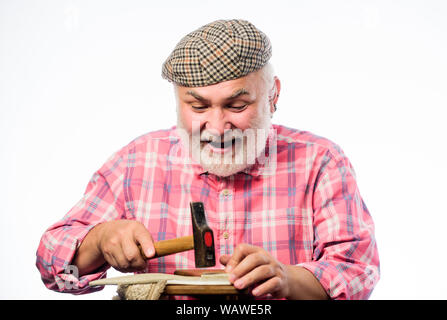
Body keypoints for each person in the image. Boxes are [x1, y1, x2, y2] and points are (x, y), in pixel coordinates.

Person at [36, 19, 379, 300]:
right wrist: (97, 242)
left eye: (237, 105)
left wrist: (287, 279)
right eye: (198, 107)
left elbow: (358, 275)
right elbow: (56, 276)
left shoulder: (321, 162)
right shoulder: (135, 163)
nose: (216, 127)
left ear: (273, 96)